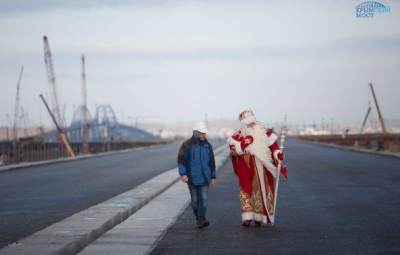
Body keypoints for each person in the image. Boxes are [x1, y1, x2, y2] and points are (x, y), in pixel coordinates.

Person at [228, 110, 287, 227]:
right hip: (245, 169)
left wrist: (277, 155)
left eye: (253, 123)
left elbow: (274, 149)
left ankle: (259, 218)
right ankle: (247, 218)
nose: (251, 125)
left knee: (260, 191)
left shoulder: (265, 134)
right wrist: (244, 143)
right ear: (244, 125)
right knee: (246, 190)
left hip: (262, 170)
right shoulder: (237, 136)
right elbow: (233, 151)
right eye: (248, 124)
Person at [177, 122, 216, 229]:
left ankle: (201, 219)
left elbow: (212, 163)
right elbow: (181, 160)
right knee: (194, 201)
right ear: (197, 133)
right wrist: (183, 174)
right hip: (192, 178)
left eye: (205, 133)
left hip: (205, 178)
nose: (205, 135)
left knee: (203, 199)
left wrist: (213, 177)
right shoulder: (187, 144)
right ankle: (198, 219)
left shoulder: (208, 146)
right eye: (203, 133)